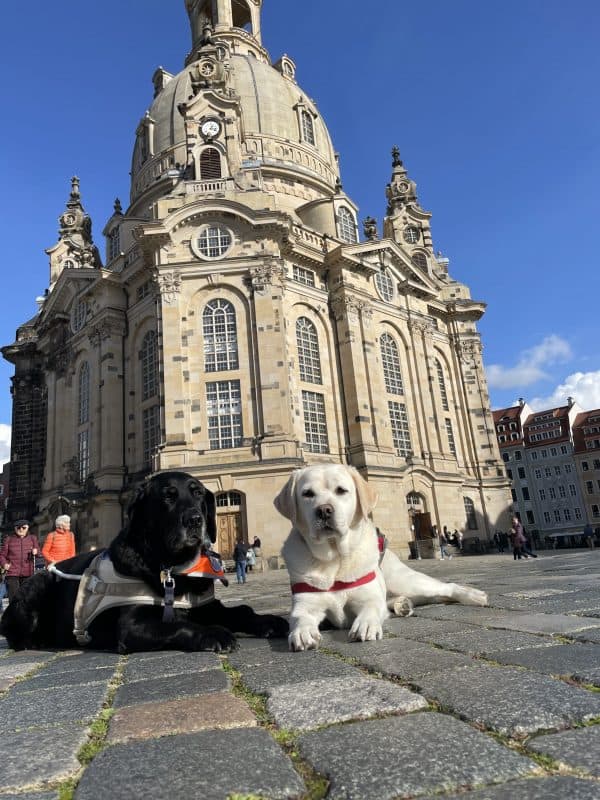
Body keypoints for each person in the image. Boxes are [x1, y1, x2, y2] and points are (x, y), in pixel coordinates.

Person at [0, 520, 40, 602]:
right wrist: (4, 564)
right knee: (14, 597)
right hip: (12, 572)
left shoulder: (33, 538)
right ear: (15, 529)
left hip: (28, 572)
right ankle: (14, 613)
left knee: (27, 597)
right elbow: (2, 555)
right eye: (18, 527)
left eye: (23, 527)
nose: (21, 529)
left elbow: (39, 553)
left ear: (27, 528)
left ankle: (25, 614)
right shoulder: (9, 539)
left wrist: (36, 552)